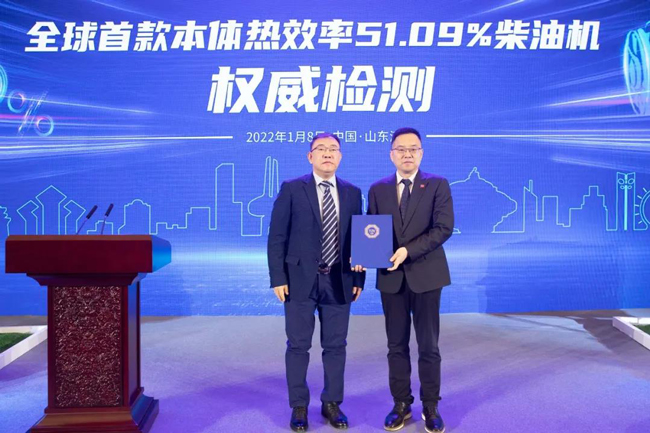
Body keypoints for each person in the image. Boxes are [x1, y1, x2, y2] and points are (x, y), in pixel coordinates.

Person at [268, 132, 365, 432]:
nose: (327, 153)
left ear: (340, 156)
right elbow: (277, 237)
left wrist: (359, 277)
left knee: (336, 345)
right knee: (298, 345)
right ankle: (299, 405)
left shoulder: (352, 192)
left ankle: (332, 403)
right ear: (310, 156)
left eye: (333, 149)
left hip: (339, 279)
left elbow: (360, 238)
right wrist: (278, 277)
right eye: (320, 149)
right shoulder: (292, 188)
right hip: (299, 280)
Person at [367, 127, 454, 433]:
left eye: (413, 149)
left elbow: (443, 228)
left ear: (421, 153)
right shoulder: (377, 189)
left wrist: (407, 251)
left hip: (427, 275)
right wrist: (364, 255)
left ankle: (431, 406)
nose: (407, 154)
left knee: (428, 345)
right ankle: (401, 404)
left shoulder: (437, 184)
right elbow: (372, 230)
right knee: (396, 345)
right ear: (391, 154)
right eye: (401, 149)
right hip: (391, 278)